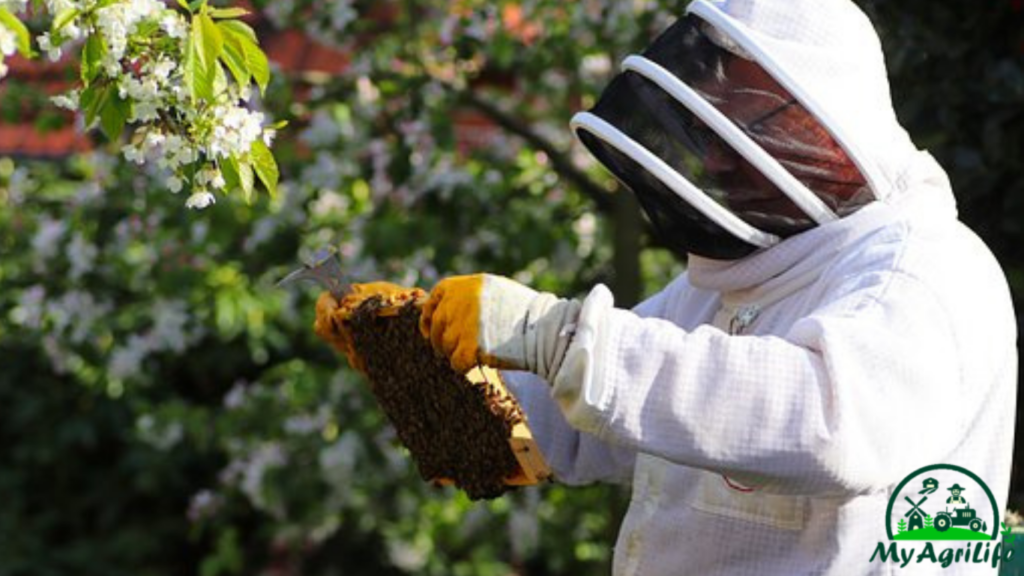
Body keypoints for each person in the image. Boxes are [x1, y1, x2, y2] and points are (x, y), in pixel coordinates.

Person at [317, 0, 1017, 574]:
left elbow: (828, 422)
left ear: (826, 123)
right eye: (707, 123)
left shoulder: (922, 271)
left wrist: (550, 332)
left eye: (742, 123)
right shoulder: (745, 279)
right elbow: (592, 417)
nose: (715, 154)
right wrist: (426, 365)